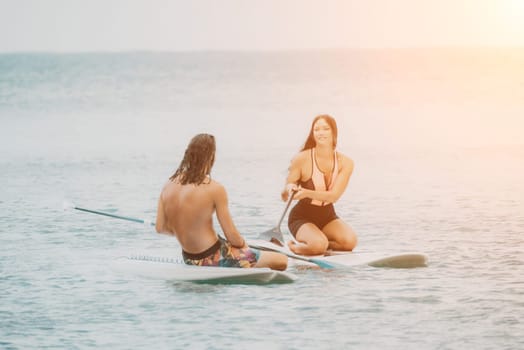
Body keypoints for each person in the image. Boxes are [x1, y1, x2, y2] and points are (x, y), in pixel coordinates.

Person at [156, 133, 288, 271]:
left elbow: (161, 228)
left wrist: (186, 230)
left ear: (188, 155)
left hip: (189, 259)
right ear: (211, 157)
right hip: (218, 258)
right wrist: (244, 246)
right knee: (281, 261)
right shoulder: (215, 188)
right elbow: (232, 236)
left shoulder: (168, 186)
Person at [281, 115, 358, 256]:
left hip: (327, 216)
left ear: (334, 133)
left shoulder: (346, 162)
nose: (321, 132)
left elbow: (334, 197)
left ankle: (319, 242)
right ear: (312, 133)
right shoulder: (301, 158)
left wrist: (306, 192)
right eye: (316, 129)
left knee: (349, 242)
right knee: (318, 246)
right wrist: (290, 188)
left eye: (325, 129)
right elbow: (286, 190)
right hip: (301, 217)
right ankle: (293, 247)